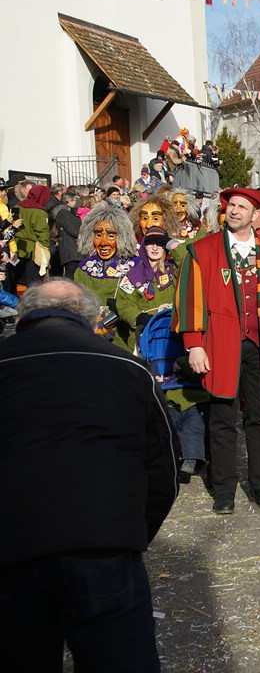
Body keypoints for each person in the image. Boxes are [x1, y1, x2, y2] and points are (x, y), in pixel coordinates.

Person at [0, 279, 178, 672]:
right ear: (92, 319)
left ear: (25, 316)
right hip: (102, 539)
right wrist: (130, 533)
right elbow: (164, 467)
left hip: (13, 542)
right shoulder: (128, 367)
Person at [172, 187, 260, 515]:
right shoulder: (202, 251)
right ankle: (224, 488)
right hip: (219, 345)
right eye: (231, 206)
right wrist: (195, 345)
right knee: (222, 418)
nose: (235, 211)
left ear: (256, 215)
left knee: (259, 418)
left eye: (242, 207)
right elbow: (189, 301)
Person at [73, 204, 139, 345]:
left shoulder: (135, 267)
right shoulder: (83, 270)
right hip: (89, 339)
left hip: (123, 340)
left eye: (110, 236)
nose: (103, 243)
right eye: (98, 235)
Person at [12, 184, 51, 291]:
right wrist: (45, 251)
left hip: (16, 246)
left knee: (17, 278)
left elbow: (12, 224)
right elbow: (43, 233)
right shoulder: (40, 212)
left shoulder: (17, 207)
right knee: (34, 281)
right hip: (34, 250)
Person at [54, 190, 82, 278]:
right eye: (74, 200)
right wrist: (83, 235)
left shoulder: (71, 213)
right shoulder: (63, 213)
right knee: (71, 272)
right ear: (68, 202)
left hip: (75, 249)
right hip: (70, 249)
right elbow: (72, 230)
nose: (75, 203)